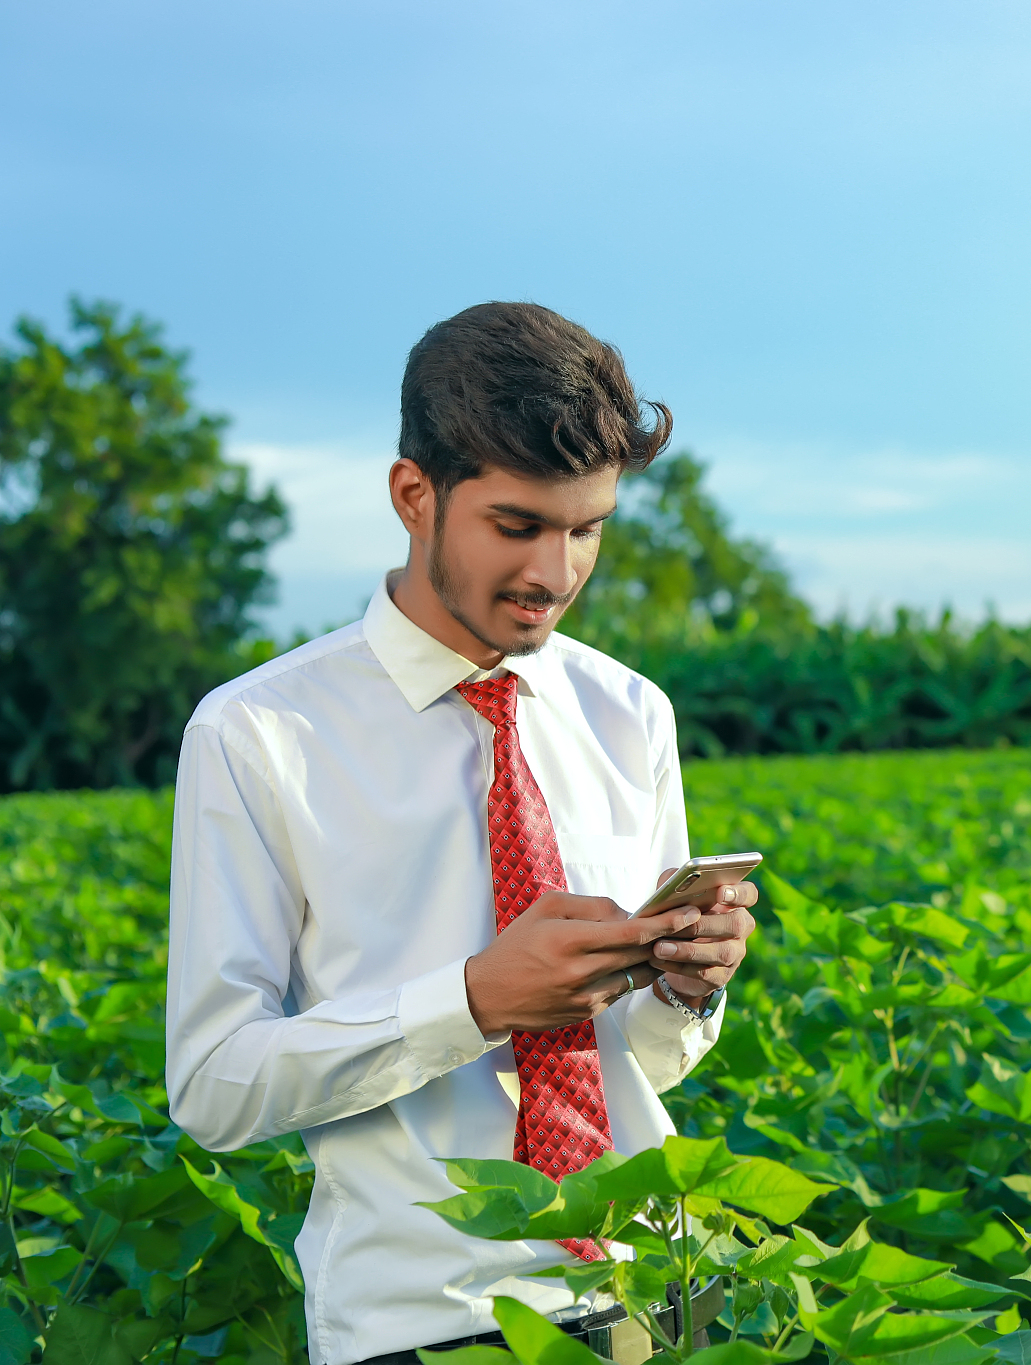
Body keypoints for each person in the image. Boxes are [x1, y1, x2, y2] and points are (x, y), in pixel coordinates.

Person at [165, 302, 757, 1365]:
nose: (554, 575)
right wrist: (475, 1001)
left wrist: (682, 988)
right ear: (413, 496)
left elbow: (642, 1073)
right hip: (428, 1322)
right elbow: (213, 1085)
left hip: (649, 1296)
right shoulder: (261, 733)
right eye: (517, 526)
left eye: (587, 530)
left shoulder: (631, 714)